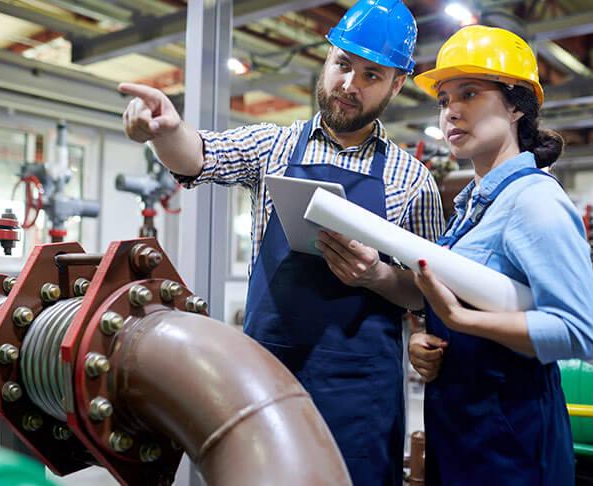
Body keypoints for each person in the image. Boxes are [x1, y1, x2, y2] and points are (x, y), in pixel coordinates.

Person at [119, 1, 444, 483]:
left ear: (397, 84)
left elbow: (426, 288)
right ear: (327, 58)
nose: (349, 84)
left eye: (371, 74)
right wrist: (166, 132)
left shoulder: (412, 181)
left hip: (360, 396)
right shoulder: (274, 148)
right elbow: (199, 155)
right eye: (342, 64)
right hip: (266, 377)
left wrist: (377, 276)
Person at [408, 25, 593, 485]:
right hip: (462, 435)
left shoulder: (533, 200)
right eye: (443, 100)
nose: (450, 111)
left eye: (470, 93)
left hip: (512, 446)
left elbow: (580, 330)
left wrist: (462, 321)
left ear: (517, 104)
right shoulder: (473, 206)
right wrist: (427, 344)